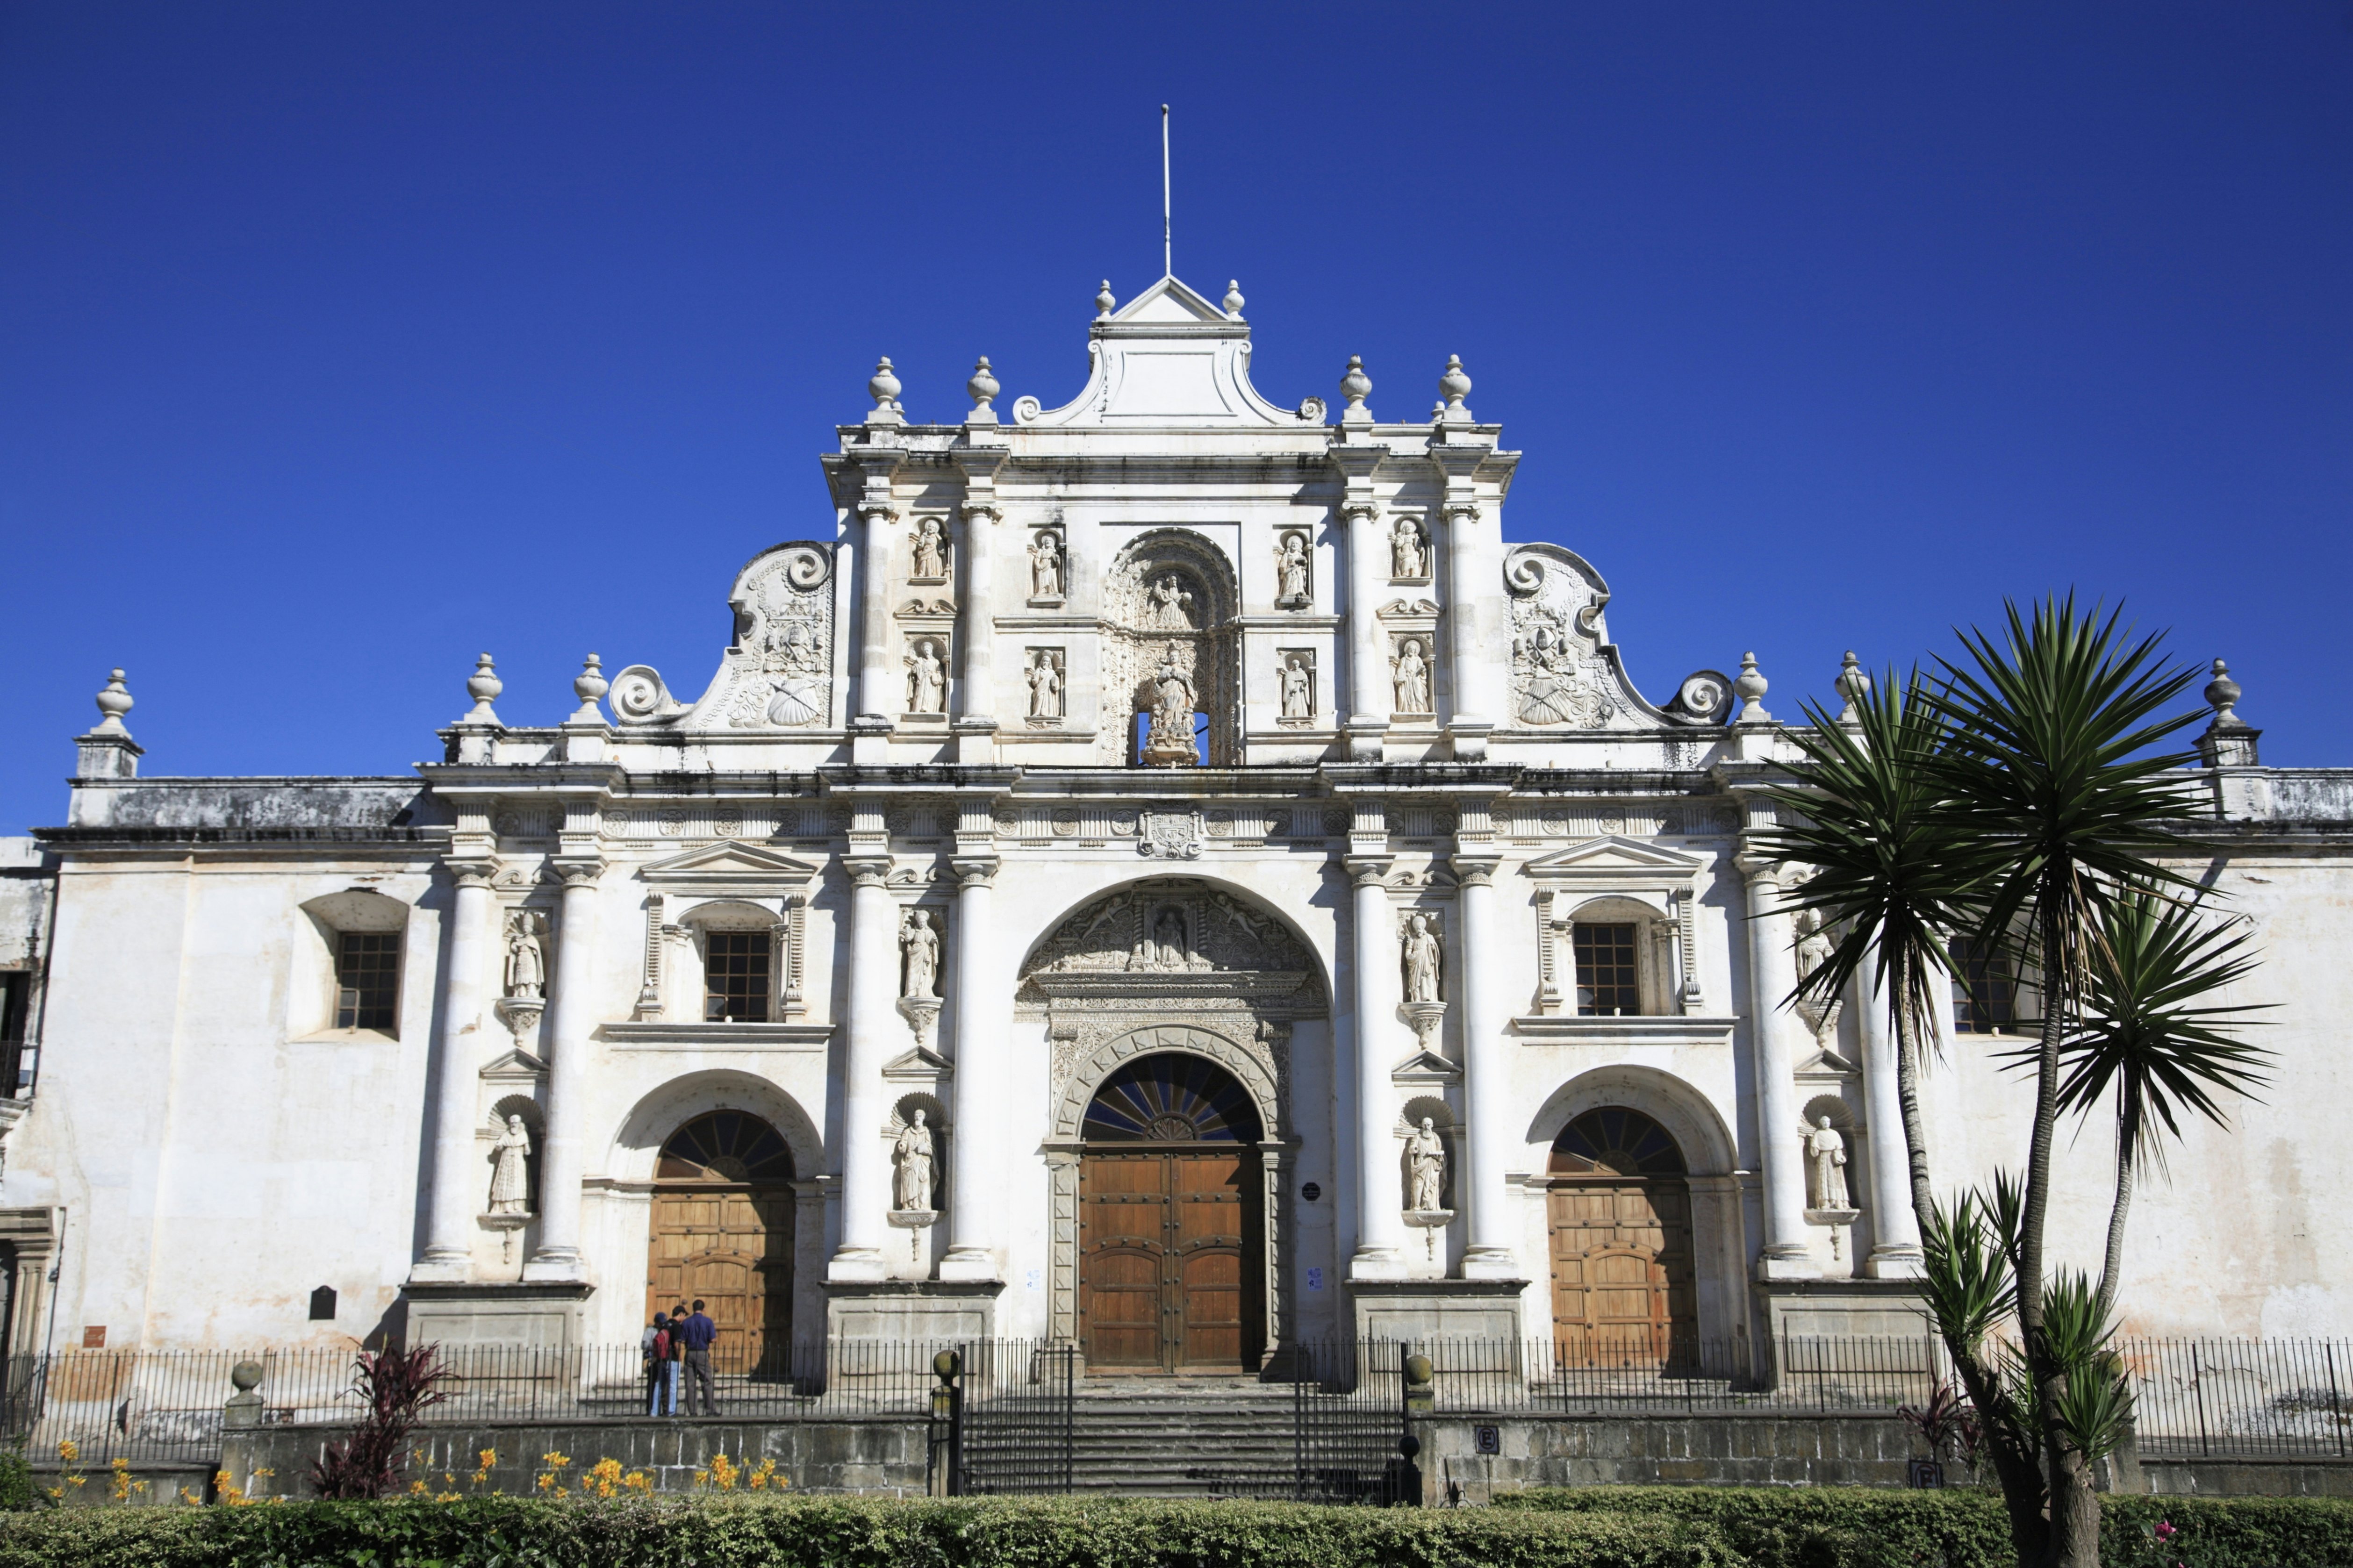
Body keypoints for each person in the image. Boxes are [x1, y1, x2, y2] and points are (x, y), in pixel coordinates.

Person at [679, 1298, 718, 1416]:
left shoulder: (687, 1322)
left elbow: (682, 1339)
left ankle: (693, 1411)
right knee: (707, 1381)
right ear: (704, 1309)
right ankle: (710, 1410)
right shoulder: (708, 1321)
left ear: (693, 1309)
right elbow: (713, 1339)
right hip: (702, 1352)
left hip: (690, 1352)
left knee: (690, 1383)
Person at [642, 1312, 674, 1417]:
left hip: (663, 1360)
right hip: (654, 1359)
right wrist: (656, 1345)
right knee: (652, 1385)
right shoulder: (650, 1331)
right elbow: (644, 1344)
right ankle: (651, 1408)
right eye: (660, 1323)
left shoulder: (665, 1331)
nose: (661, 1325)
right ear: (656, 1322)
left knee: (664, 1386)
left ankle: (665, 1409)